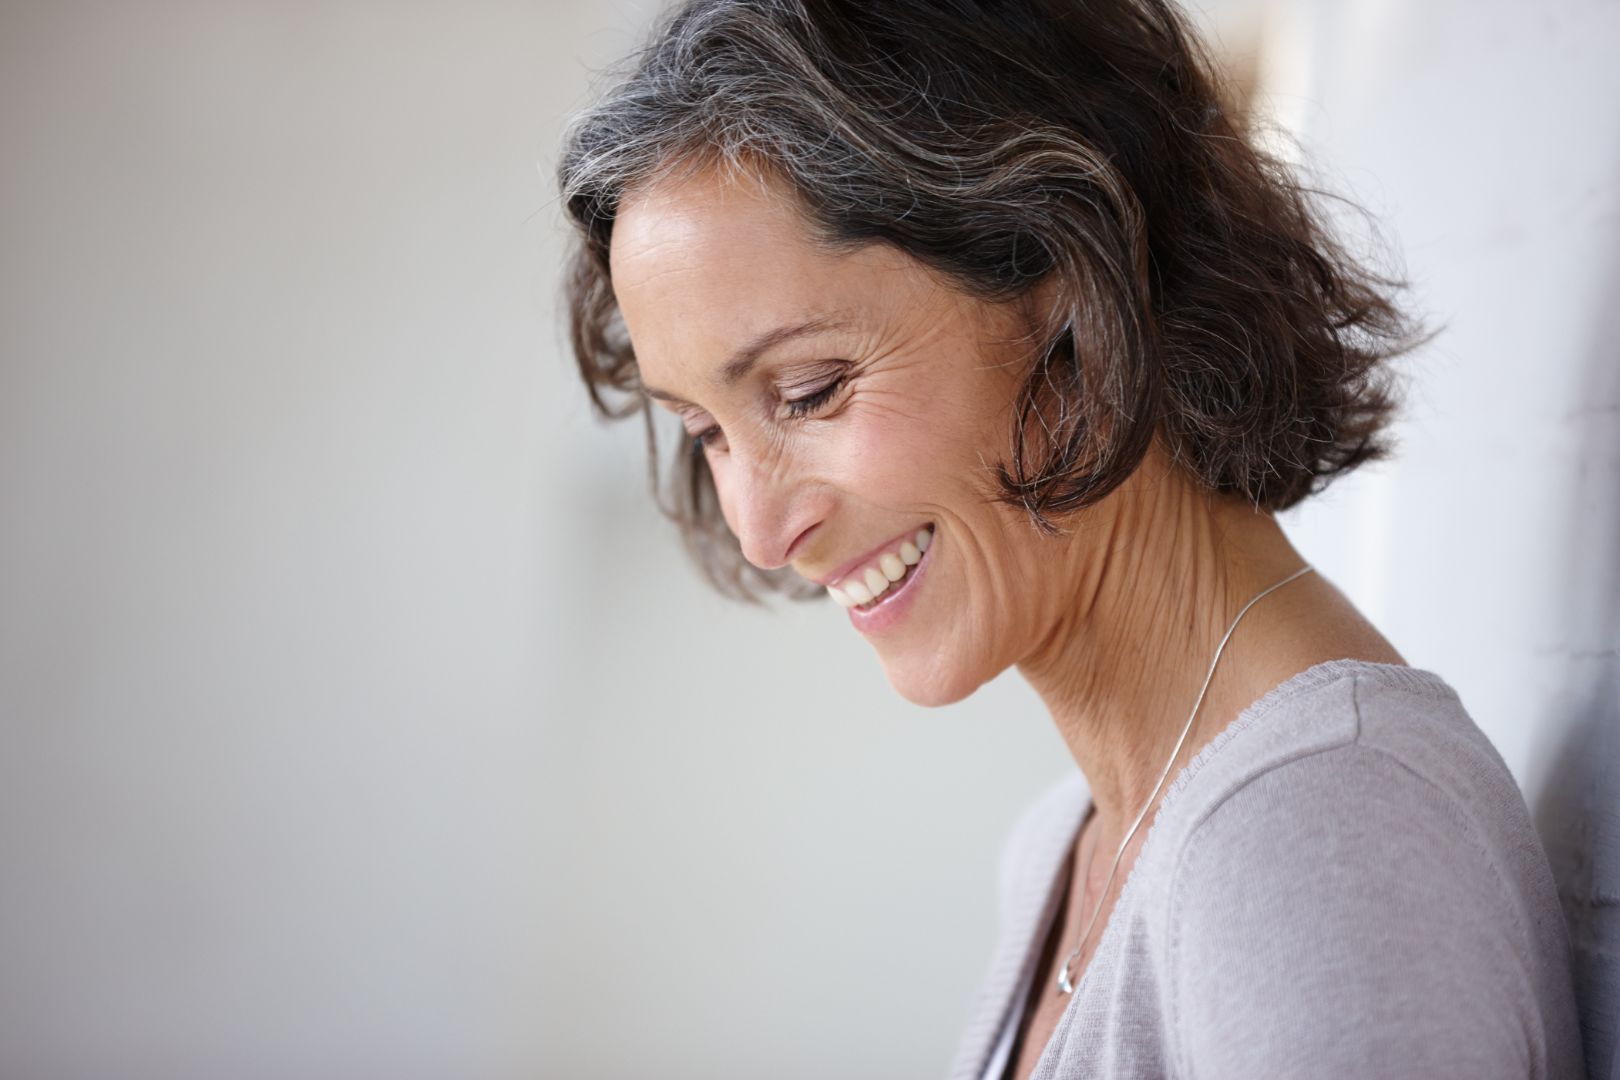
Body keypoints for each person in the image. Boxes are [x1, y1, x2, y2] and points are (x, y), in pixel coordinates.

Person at [554, 1, 1586, 1076]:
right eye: (706, 430)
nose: (762, 532)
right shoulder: (1069, 844)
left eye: (811, 391)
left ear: (1072, 289)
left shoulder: (1314, 836)